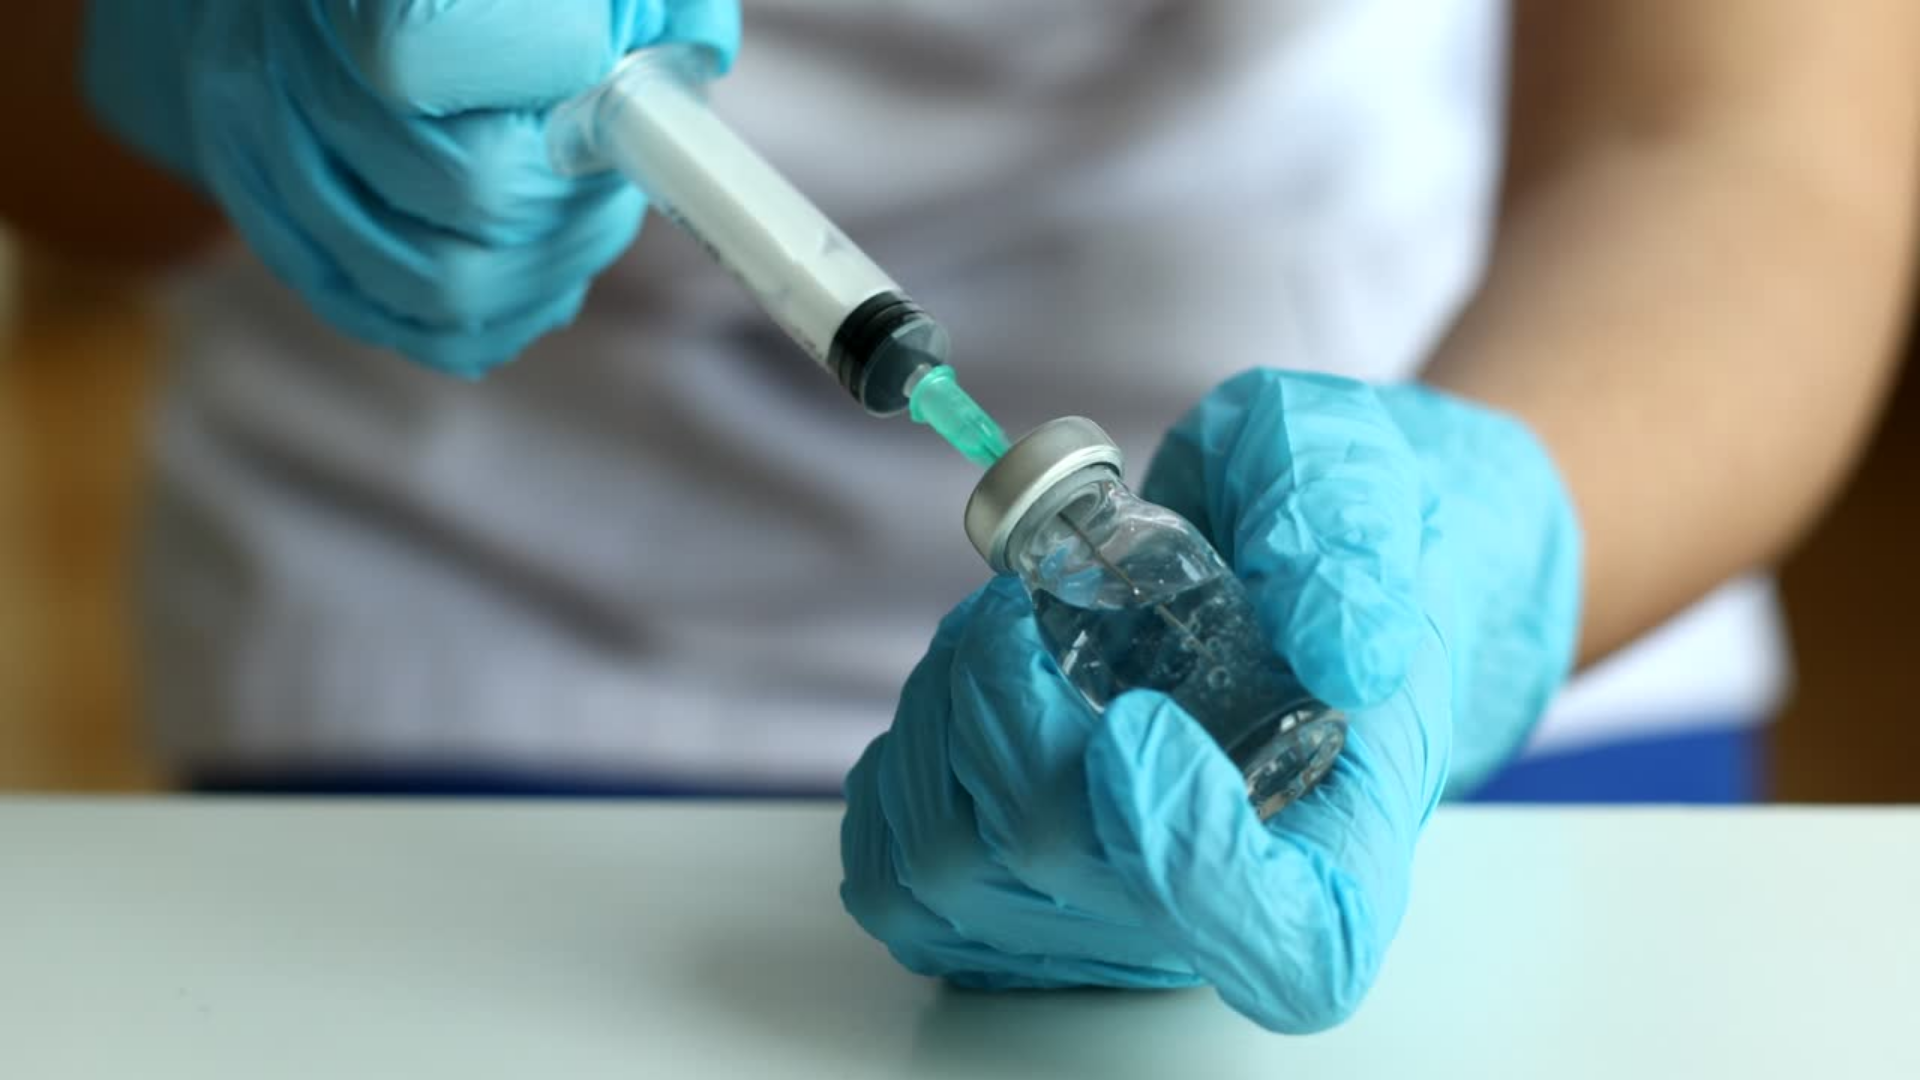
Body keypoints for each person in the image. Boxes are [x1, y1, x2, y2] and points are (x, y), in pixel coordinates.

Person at [4, 0, 1915, 1032]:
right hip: (468, 634)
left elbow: (1747, 140)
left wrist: (1481, 544)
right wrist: (194, 50)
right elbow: (40, 120)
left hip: (1476, 527)